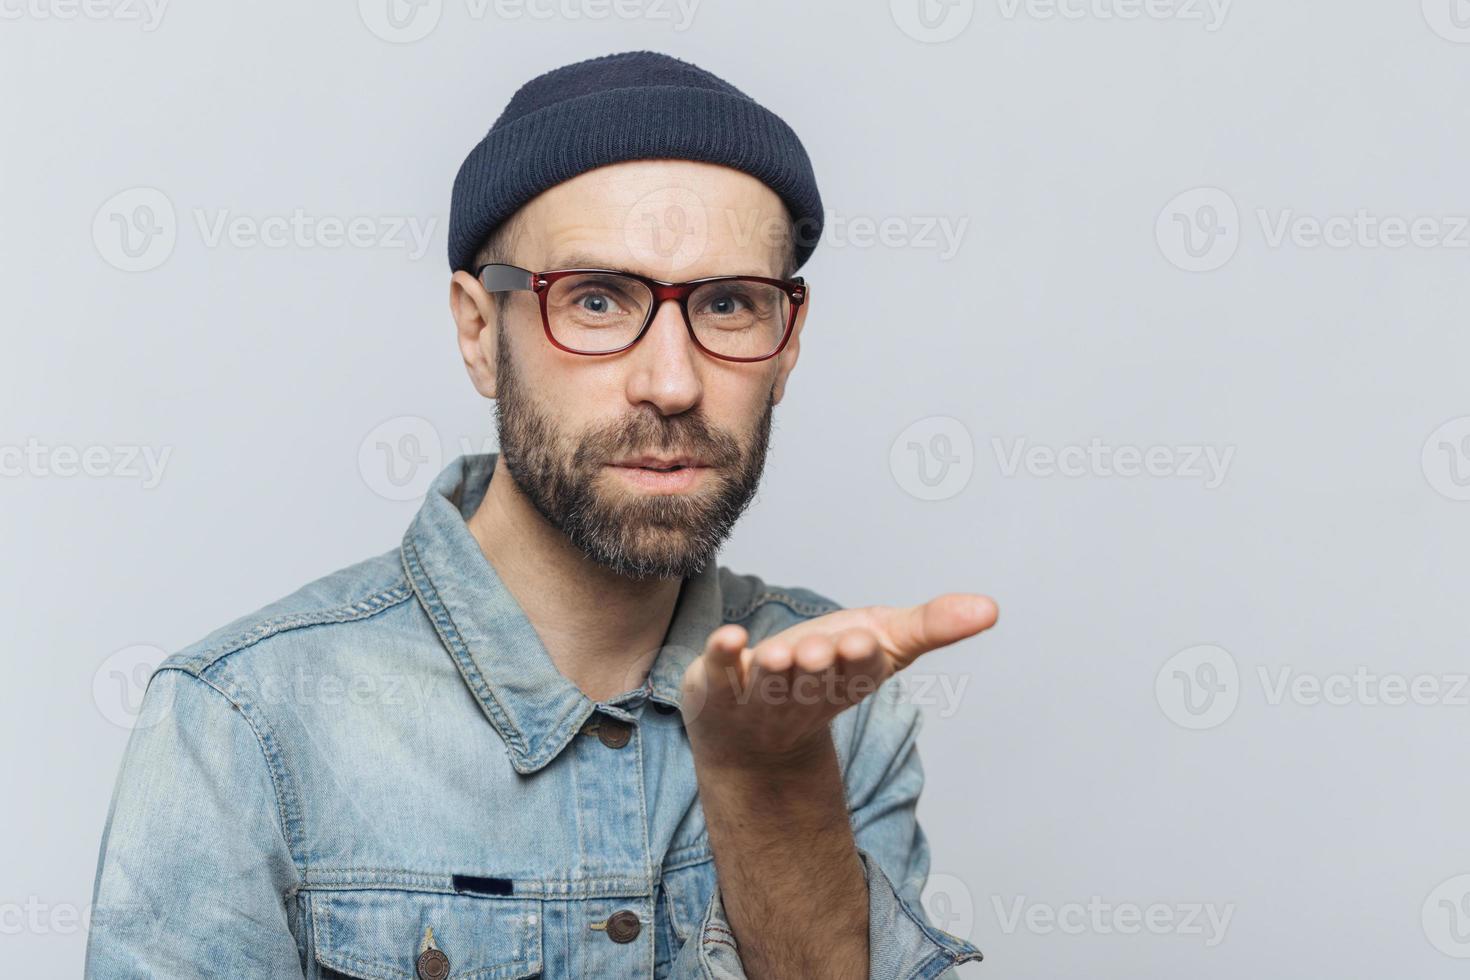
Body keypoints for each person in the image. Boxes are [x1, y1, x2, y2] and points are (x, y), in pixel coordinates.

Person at [84, 50, 997, 979]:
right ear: (481, 332)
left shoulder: (831, 707)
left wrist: (770, 784)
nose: (673, 384)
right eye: (597, 301)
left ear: (788, 343)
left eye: (728, 305)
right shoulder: (243, 724)